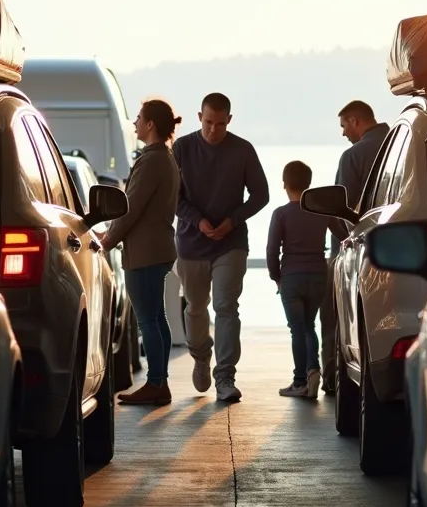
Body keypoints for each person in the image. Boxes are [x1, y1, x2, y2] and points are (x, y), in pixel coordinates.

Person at [172, 93, 269, 403]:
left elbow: (260, 194)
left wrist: (232, 220)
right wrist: (197, 220)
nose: (214, 130)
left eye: (220, 124)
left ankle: (225, 376)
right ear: (199, 116)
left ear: (230, 120)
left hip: (231, 242)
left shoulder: (242, 150)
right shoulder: (182, 148)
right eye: (209, 122)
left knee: (226, 306)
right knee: (196, 308)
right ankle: (201, 356)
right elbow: (172, 196)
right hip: (190, 242)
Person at [101, 99, 182, 406]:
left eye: (138, 118)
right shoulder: (165, 158)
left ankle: (156, 384)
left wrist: (108, 239)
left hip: (145, 252)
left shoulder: (152, 160)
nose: (134, 123)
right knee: (156, 318)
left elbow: (130, 207)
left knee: (148, 320)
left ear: (150, 125)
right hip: (157, 248)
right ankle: (158, 382)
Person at [321, 100, 390, 395]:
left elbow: (340, 212)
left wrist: (342, 243)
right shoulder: (398, 143)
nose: (344, 134)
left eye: (343, 127)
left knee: (335, 319)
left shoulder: (353, 155)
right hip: (399, 248)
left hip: (358, 251)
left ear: (354, 120)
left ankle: (333, 379)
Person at [266, 161, 329, 399]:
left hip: (291, 278)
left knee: (298, 329)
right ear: (309, 184)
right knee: (309, 326)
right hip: (318, 275)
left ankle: (301, 380)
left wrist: (276, 277)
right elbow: (343, 234)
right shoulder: (322, 211)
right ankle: (313, 370)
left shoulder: (281, 214)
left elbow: (272, 250)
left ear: (284, 185)